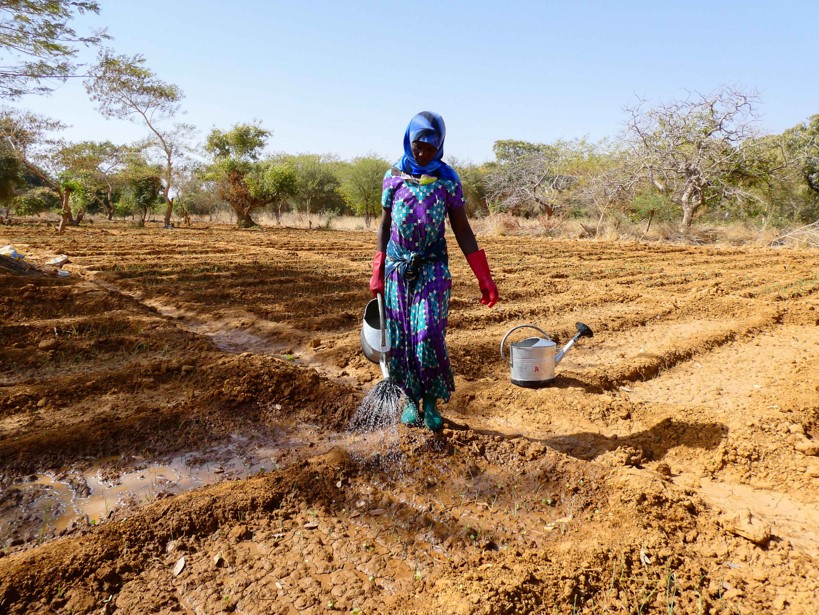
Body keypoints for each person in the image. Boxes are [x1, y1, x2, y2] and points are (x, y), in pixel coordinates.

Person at [369, 111, 499, 432]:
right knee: (401, 339)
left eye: (430, 146)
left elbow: (463, 231)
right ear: (408, 141)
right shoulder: (393, 177)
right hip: (397, 270)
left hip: (432, 270)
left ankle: (430, 401)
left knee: (428, 335)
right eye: (418, 145)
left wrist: (484, 276)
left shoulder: (447, 179)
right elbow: (385, 225)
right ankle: (411, 400)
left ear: (439, 145)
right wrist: (377, 268)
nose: (423, 152)